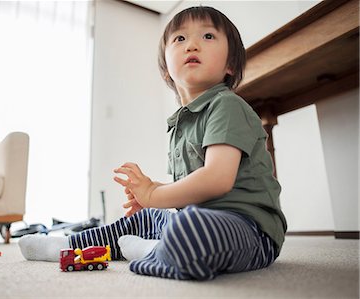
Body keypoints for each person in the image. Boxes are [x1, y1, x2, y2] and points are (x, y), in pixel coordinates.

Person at [19, 6, 287, 280]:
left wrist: (154, 194)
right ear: (166, 72)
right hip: (199, 218)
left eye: (207, 36)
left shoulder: (226, 105)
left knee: (191, 226)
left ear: (230, 65)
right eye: (180, 39)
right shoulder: (180, 124)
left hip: (250, 231)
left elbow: (217, 179)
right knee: (146, 218)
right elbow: (191, 190)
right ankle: (72, 246)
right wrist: (152, 192)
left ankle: (152, 252)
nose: (192, 44)